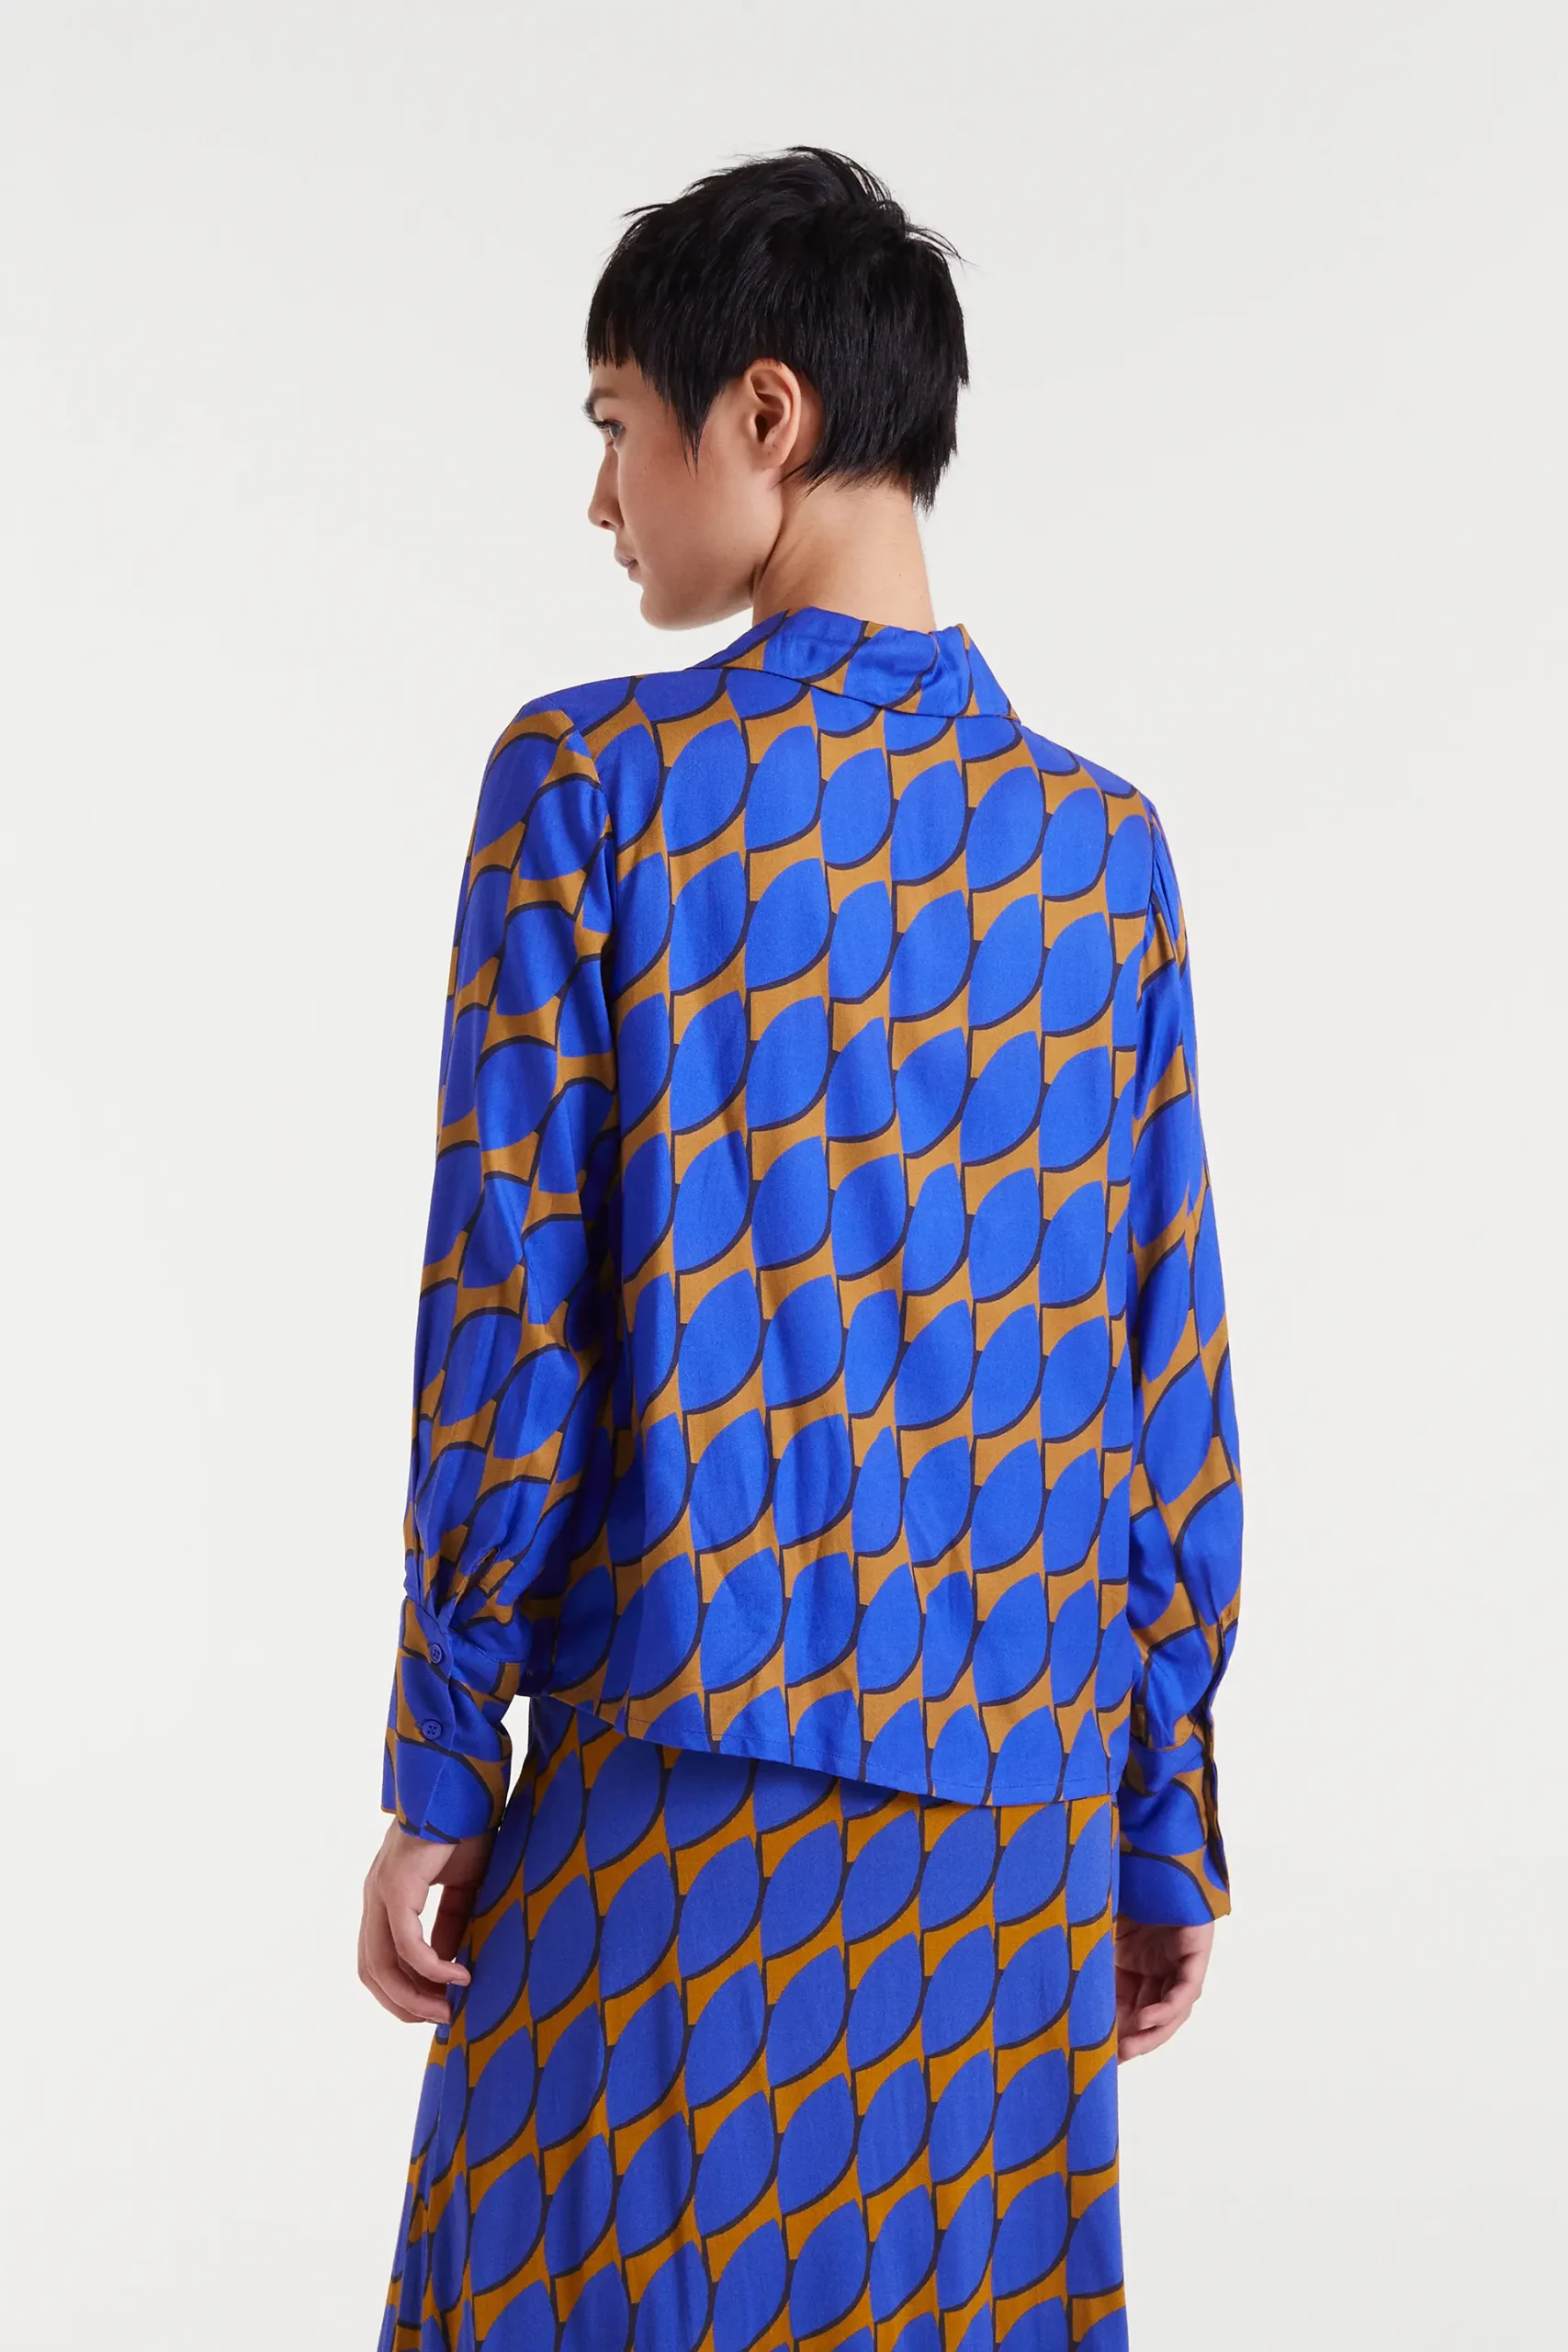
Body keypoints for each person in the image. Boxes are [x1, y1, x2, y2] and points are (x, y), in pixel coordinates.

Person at [358, 144, 1243, 2352]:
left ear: (762, 412)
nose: (600, 498)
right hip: (1010, 1846)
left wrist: (444, 1754)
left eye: (614, 428)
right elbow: (1163, 1373)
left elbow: (509, 1314)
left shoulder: (590, 787)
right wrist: (1158, 1817)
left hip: (676, 1804)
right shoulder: (1102, 856)